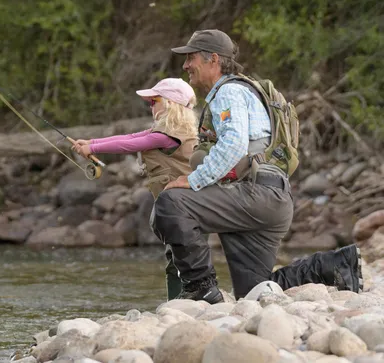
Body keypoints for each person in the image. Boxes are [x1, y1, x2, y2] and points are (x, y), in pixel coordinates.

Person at [151, 29, 363, 303]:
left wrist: (193, 181)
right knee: (254, 291)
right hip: (270, 200)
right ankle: (337, 265)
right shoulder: (242, 90)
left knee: (171, 203)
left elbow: (234, 143)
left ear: (213, 59)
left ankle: (200, 288)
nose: (185, 65)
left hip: (255, 195)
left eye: (191, 58)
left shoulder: (228, 92)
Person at [71, 78, 198, 300]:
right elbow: (130, 137)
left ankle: (185, 303)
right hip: (179, 206)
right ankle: (180, 304)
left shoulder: (166, 136)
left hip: (184, 208)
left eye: (153, 101)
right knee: (177, 259)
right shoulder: (163, 131)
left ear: (169, 104)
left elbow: (129, 145)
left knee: (182, 260)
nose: (151, 106)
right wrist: (92, 142)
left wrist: (92, 147)